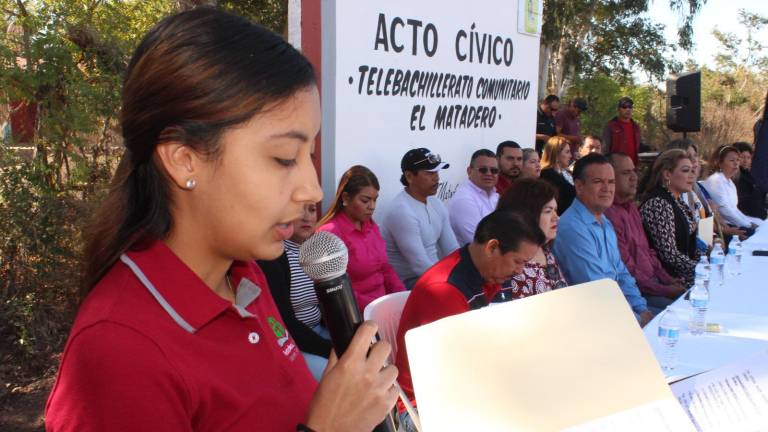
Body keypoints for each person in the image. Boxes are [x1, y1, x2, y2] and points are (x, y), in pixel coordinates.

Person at [45, 9, 397, 431]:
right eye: (284, 158)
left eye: (310, 156)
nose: (313, 190)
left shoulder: (245, 277)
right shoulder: (118, 351)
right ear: (185, 159)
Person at [394, 210, 544, 419]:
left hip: (456, 392)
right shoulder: (446, 290)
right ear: (492, 247)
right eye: (518, 262)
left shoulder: (488, 273)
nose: (520, 271)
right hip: (420, 407)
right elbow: (458, 375)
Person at [552, 153, 653, 326]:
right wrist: (636, 320)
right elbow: (597, 290)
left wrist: (642, 309)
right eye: (598, 182)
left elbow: (621, 273)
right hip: (592, 320)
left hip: (617, 312)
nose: (607, 188)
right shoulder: (572, 228)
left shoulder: (604, 221)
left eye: (611, 182)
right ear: (579, 186)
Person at [258, 203, 331, 381]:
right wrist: (330, 349)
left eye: (312, 210)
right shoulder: (275, 258)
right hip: (293, 341)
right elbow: (286, 323)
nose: (307, 217)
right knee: (331, 376)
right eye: (300, 211)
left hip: (319, 331)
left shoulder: (318, 250)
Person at [317, 165, 405, 314]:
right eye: (365, 201)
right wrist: (376, 309)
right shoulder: (330, 233)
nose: (372, 207)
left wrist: (401, 295)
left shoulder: (371, 226)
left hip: (381, 305)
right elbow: (336, 289)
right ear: (345, 198)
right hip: (354, 313)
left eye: (375, 200)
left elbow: (385, 269)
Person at [604, 153, 684, 312]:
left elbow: (648, 252)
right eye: (626, 173)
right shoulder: (609, 214)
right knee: (680, 313)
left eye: (634, 171)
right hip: (639, 292)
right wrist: (666, 290)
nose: (634, 177)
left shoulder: (631, 207)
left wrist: (668, 280)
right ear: (610, 179)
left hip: (654, 284)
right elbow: (627, 270)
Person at [381, 148, 459, 289]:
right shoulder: (401, 210)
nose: (436, 178)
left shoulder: (436, 203)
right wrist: (454, 283)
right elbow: (419, 265)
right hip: (407, 283)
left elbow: (453, 250)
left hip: (433, 276)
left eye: (437, 172)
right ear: (410, 176)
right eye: (429, 173)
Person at [494, 179, 568, 300]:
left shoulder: (545, 250)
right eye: (548, 211)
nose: (557, 218)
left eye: (555, 210)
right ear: (526, 215)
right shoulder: (512, 267)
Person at [639, 150, 702, 287]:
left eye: (693, 170)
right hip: (668, 281)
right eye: (686, 170)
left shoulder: (677, 201)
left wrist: (706, 260)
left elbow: (690, 245)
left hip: (686, 273)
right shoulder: (658, 204)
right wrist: (702, 269)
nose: (692, 175)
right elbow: (670, 256)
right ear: (667, 174)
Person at [703, 144, 764, 231]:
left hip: (733, 223)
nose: (736, 164)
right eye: (732, 160)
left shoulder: (729, 182)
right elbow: (725, 211)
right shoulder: (716, 180)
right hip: (724, 227)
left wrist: (750, 222)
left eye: (738, 160)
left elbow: (735, 210)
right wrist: (748, 225)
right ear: (720, 163)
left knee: (762, 224)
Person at [449, 149, 500, 246]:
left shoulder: (496, 196)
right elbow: (480, 243)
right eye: (483, 170)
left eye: (494, 170)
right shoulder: (464, 200)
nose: (489, 173)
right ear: (469, 171)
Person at [540, 136, 576, 214]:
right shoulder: (547, 173)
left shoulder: (566, 173)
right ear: (556, 154)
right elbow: (571, 192)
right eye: (567, 152)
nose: (570, 156)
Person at [733, 141, 767, 220]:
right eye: (742, 157)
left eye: (748, 158)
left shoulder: (749, 174)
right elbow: (744, 202)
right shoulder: (738, 178)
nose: (746, 161)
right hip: (747, 216)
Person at [602, 97, 642, 163]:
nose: (628, 109)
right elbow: (605, 148)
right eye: (624, 107)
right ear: (618, 109)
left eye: (630, 107)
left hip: (633, 165)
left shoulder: (636, 127)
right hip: (617, 165)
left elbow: (638, 145)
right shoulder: (610, 126)